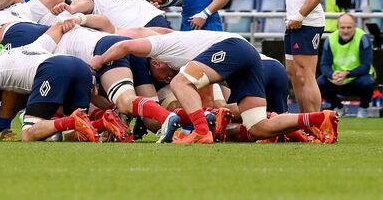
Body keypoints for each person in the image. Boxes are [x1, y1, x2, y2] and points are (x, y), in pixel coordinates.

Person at [91, 31, 339, 144]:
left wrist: (100, 60)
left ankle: (201, 132)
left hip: (234, 46)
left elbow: (125, 45)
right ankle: (320, 118)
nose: (166, 77)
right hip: (248, 56)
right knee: (259, 128)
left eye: (161, 71)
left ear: (156, 61)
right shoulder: (183, 54)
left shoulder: (158, 45)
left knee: (180, 82)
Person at [0, 33, 100, 143]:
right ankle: (105, 121)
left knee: (27, 134)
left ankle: (72, 121)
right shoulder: (28, 47)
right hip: (80, 66)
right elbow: (57, 28)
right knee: (75, 136)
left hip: (53, 69)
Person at [317, 14, 376, 118]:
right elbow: (324, 65)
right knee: (320, 82)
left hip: (356, 79)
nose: (345, 31)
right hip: (337, 80)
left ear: (355, 27)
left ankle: (364, 108)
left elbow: (366, 66)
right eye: (342, 27)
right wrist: (332, 75)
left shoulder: (363, 38)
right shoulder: (330, 40)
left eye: (349, 27)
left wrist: (347, 73)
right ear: (337, 27)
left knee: (367, 82)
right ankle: (338, 107)